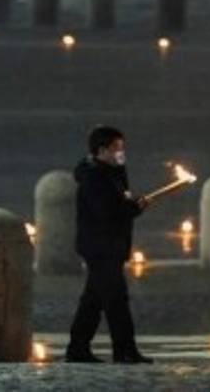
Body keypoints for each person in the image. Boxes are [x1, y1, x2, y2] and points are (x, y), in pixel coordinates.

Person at [65, 125, 153, 364]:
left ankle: (77, 348)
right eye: (116, 148)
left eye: (122, 148)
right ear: (101, 150)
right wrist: (133, 208)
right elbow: (106, 211)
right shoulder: (94, 177)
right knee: (116, 300)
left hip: (109, 246)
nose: (121, 153)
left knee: (93, 300)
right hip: (101, 248)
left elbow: (119, 200)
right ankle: (124, 351)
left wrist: (129, 198)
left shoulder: (110, 172)